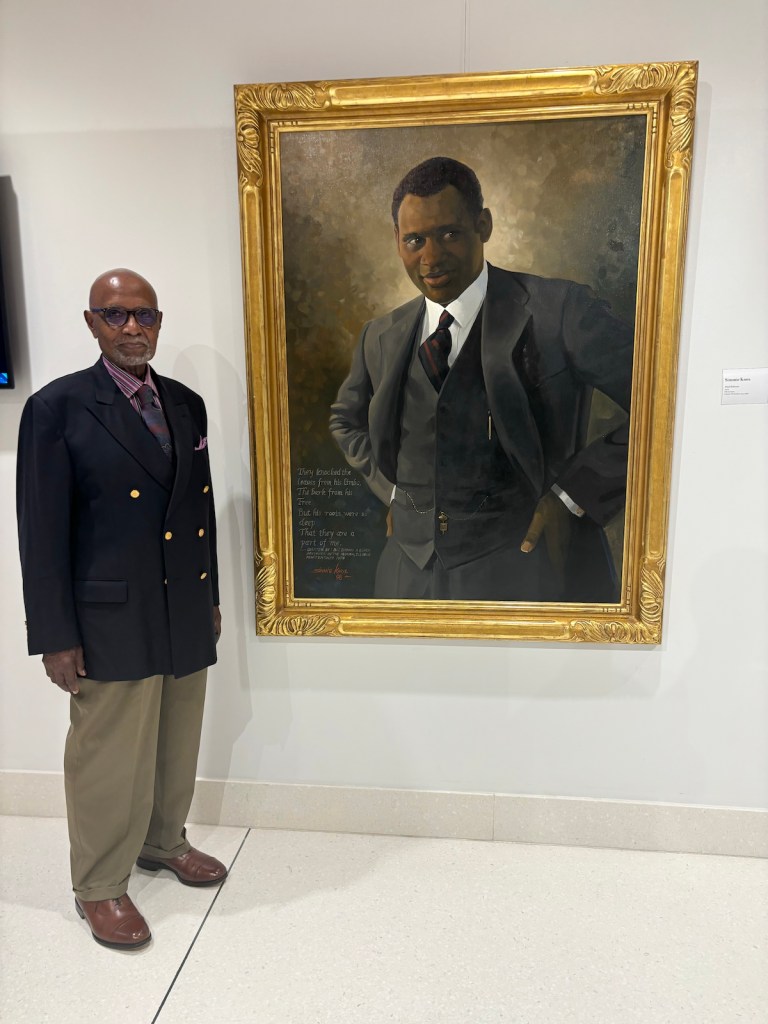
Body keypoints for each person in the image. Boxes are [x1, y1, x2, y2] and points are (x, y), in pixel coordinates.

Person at [16, 268, 226, 950]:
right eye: (117, 316)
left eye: (146, 316)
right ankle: (100, 885)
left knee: (177, 734)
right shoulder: (59, 408)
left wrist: (212, 597)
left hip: (183, 604)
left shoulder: (187, 404)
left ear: (159, 322)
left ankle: (164, 841)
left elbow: (199, 512)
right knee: (107, 752)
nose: (133, 328)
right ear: (91, 323)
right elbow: (41, 534)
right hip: (109, 615)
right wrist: (55, 636)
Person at [330, 157, 634, 602]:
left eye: (448, 234)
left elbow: (661, 401)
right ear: (397, 241)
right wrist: (395, 492)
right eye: (415, 240)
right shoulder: (380, 335)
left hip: (531, 569)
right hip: (407, 578)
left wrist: (572, 497)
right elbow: (346, 420)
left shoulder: (561, 310)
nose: (430, 258)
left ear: (484, 225)